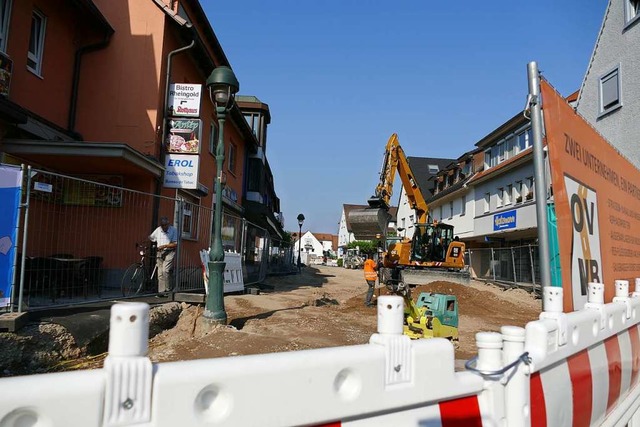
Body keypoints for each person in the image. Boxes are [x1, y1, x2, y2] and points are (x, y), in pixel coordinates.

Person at [149, 216, 178, 293]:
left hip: (169, 251)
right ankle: (161, 292)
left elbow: (175, 244)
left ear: (168, 224)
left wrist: (164, 246)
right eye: (162, 225)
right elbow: (151, 238)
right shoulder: (158, 230)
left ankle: (168, 290)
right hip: (160, 252)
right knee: (160, 273)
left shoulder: (173, 230)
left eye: (165, 225)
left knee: (166, 270)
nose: (163, 227)